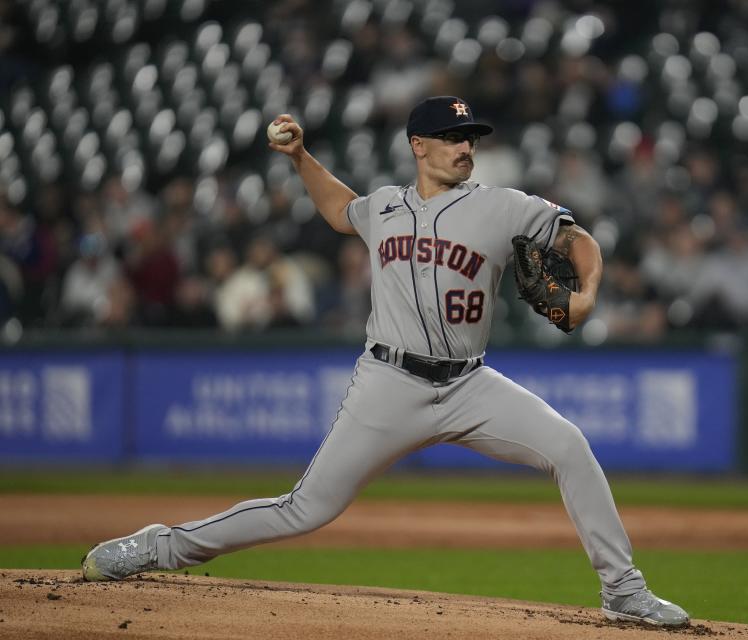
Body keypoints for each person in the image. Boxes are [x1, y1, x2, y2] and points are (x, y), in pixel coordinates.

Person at [80, 96, 690, 627]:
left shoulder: (504, 206)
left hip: (470, 385)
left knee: (569, 447)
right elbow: (340, 208)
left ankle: (625, 592)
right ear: (417, 145)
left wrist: (585, 293)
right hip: (389, 382)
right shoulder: (385, 206)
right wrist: (300, 160)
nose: (464, 147)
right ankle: (161, 548)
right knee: (304, 509)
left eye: (470, 137)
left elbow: (579, 240)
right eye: (452, 137)